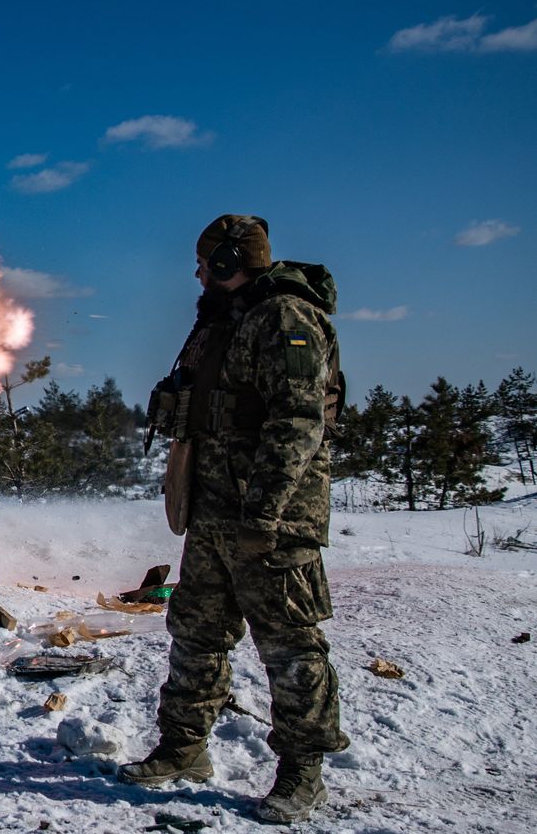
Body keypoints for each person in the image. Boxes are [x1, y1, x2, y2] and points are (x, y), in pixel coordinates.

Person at [121, 215, 349, 825]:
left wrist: (266, 513)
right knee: (195, 633)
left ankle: (303, 774)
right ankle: (182, 750)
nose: (196, 271)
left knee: (290, 647)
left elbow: (298, 424)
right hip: (214, 511)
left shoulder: (286, 319)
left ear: (229, 261)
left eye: (205, 261)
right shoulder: (222, 320)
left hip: (271, 520)